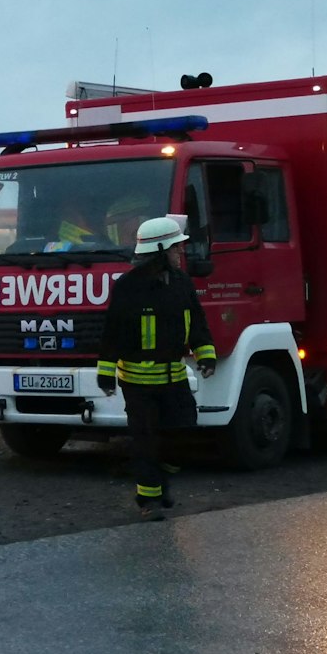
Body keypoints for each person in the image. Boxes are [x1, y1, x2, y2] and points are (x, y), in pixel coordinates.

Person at [96, 216, 217, 520]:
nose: (180, 253)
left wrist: (206, 356)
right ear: (160, 251)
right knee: (146, 441)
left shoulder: (182, 283)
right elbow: (112, 332)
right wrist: (106, 374)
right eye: (176, 248)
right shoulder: (128, 287)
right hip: (137, 383)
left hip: (174, 377)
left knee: (183, 434)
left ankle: (161, 480)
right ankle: (148, 501)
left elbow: (197, 323)